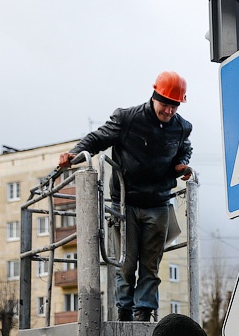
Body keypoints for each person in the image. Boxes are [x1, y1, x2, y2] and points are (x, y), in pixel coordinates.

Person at [58, 71, 193, 322]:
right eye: (165, 104)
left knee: (151, 265)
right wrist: (75, 153)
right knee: (126, 263)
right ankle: (124, 311)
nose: (169, 111)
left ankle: (144, 312)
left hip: (158, 202)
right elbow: (98, 138)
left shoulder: (182, 128)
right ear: (154, 96)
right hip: (125, 202)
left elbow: (185, 149)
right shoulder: (128, 119)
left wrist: (181, 165)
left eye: (175, 106)